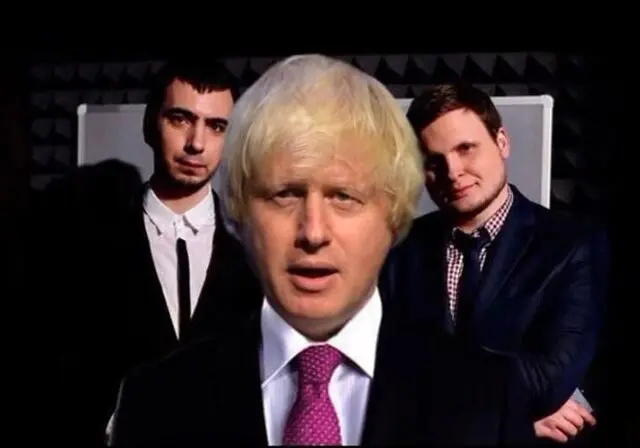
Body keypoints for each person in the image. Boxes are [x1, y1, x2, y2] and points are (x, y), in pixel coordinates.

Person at [110, 55, 539, 446]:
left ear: (393, 218)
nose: (313, 232)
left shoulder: (489, 397)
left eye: (344, 197)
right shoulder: (155, 400)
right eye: (285, 194)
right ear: (240, 213)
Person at [36, 59, 262, 446]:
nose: (196, 143)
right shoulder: (85, 247)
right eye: (180, 119)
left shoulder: (254, 250)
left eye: (216, 126)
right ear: (149, 125)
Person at [379, 83, 611, 443]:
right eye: (433, 161)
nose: (452, 172)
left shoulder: (571, 246)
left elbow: (550, 377)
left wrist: (431, 382)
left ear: (501, 142)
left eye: (465, 148)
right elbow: (386, 384)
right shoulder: (400, 251)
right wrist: (513, 423)